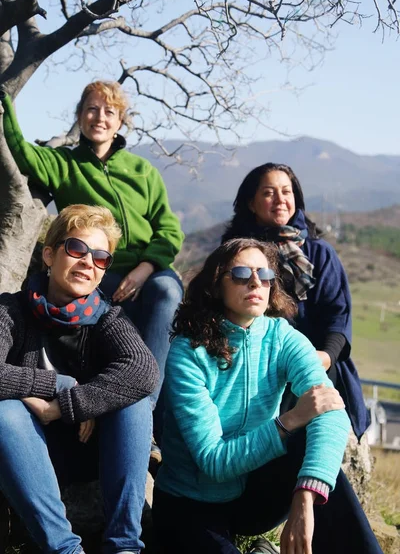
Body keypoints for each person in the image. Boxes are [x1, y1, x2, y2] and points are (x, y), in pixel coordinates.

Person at [152, 238, 383, 554]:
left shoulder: (281, 336)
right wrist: (289, 420)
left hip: (254, 498)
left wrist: (306, 494)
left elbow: (331, 412)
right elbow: (213, 462)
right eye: (241, 273)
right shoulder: (188, 352)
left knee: (312, 453)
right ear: (216, 285)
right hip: (191, 504)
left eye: (265, 274)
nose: (256, 282)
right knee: (299, 427)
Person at [0, 82, 184, 443]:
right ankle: (106, 403)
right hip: (101, 269)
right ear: (80, 116)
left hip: (149, 267)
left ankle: (142, 413)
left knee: (165, 291)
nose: (100, 117)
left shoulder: (142, 171)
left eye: (109, 111)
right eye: (92, 109)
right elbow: (21, 153)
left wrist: (146, 268)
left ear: (120, 123)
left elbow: (169, 229)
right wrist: (5, 97)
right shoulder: (64, 164)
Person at [0, 204, 159, 554]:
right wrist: (58, 384)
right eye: (76, 249)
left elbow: (144, 370)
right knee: (6, 414)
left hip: (93, 452)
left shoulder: (107, 318)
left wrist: (68, 404)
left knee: (134, 400)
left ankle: (124, 546)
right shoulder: (10, 311)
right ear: (49, 254)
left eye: (101, 257)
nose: (88, 262)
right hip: (29, 452)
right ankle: (65, 549)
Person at [221, 163, 369, 440]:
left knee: (315, 423)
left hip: (316, 360)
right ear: (251, 203)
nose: (280, 200)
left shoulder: (319, 253)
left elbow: (338, 315)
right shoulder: (239, 255)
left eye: (286, 192)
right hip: (256, 359)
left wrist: (323, 357)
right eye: (269, 193)